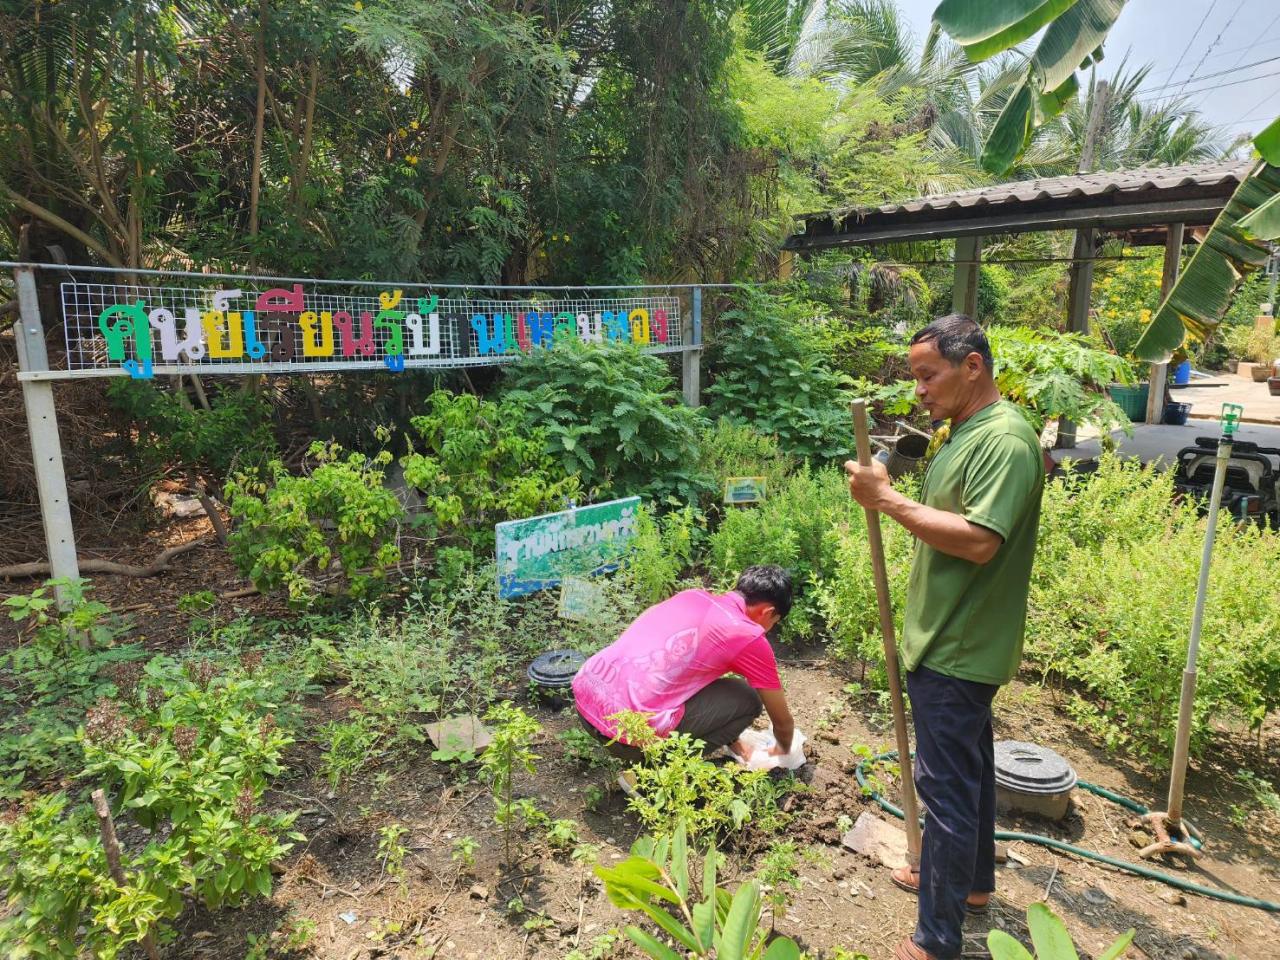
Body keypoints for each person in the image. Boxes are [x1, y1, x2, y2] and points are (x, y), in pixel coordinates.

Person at [844, 314, 1044, 960]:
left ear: (973, 367)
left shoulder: (1006, 442)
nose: (920, 390)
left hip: (959, 648)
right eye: (917, 377)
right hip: (949, 637)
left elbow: (982, 541)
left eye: (929, 375)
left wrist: (888, 503)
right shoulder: (960, 431)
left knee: (947, 793)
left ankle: (935, 939)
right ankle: (973, 885)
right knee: (973, 773)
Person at [571, 564, 797, 767]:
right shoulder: (748, 635)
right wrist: (782, 753)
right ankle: (652, 774)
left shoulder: (691, 596)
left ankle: (728, 744)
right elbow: (782, 721)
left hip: (586, 700)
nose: (768, 629)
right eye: (773, 623)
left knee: (703, 683)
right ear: (767, 612)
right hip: (626, 736)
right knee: (748, 698)